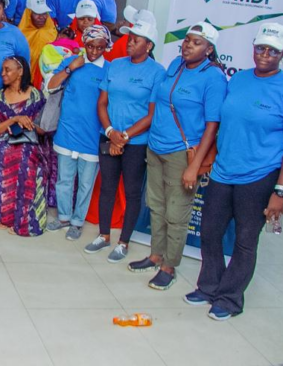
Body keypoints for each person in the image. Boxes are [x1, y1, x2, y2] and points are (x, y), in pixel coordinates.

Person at [183, 23, 283, 320]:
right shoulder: (238, 79)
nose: (265, 54)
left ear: (281, 55)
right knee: (210, 231)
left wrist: (279, 191)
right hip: (223, 170)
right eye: (260, 48)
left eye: (272, 50)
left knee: (244, 240)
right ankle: (209, 286)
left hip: (259, 176)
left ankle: (229, 298)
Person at [128, 22, 227, 291]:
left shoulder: (214, 78)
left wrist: (194, 166)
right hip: (156, 147)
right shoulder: (175, 64)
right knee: (156, 207)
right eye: (186, 40)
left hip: (181, 154)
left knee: (176, 213)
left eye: (196, 42)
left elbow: (212, 125)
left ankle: (169, 266)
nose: (187, 45)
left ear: (209, 49)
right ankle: (155, 255)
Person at [85, 19, 166, 262]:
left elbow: (151, 114)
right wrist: (110, 132)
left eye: (136, 39)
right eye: (129, 37)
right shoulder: (115, 65)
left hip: (136, 142)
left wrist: (125, 137)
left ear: (149, 45)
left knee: (131, 192)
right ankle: (104, 235)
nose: (129, 42)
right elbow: (102, 102)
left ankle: (123, 242)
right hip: (109, 136)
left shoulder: (157, 72)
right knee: (107, 187)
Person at [46, 25, 111, 240]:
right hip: (67, 131)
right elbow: (51, 86)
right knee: (64, 179)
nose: (93, 51)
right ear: (84, 43)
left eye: (99, 47)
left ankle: (77, 222)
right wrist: (70, 68)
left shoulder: (109, 70)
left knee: (85, 183)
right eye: (90, 46)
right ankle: (63, 217)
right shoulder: (72, 62)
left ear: (106, 47)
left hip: (93, 136)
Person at [0, 56, 47, 236]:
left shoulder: (36, 97)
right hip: (2, 141)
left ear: (20, 72)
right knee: (6, 152)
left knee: (25, 156)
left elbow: (44, 130)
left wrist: (29, 125)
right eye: (2, 70)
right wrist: (13, 120)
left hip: (29, 141)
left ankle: (23, 219)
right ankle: (3, 215)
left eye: (7, 70)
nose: (3, 74)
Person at [18, 0, 58, 85]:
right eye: (37, 13)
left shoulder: (52, 32)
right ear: (28, 14)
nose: (41, 17)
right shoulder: (19, 36)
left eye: (44, 13)